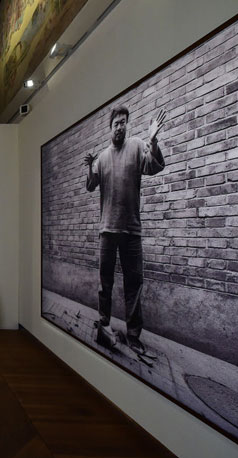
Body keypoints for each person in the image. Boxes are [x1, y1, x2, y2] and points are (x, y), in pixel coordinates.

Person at [85, 106, 166, 358]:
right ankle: (104, 325)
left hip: (131, 230)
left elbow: (154, 167)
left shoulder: (136, 146)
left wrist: (153, 141)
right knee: (104, 283)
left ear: (127, 125)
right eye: (116, 123)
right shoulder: (102, 157)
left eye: (123, 123)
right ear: (110, 127)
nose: (120, 127)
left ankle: (133, 336)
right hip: (107, 230)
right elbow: (90, 185)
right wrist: (89, 167)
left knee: (134, 284)